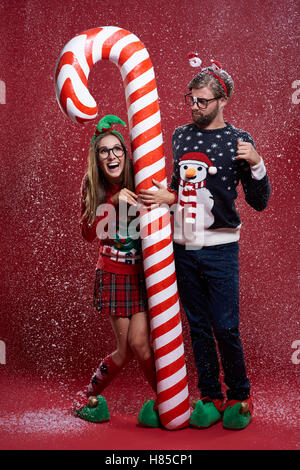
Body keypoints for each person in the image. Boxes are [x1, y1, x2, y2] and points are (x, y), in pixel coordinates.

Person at [139, 62, 271, 430]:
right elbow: (174, 187)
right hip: (183, 246)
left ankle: (240, 397)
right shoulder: (181, 135)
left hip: (220, 248)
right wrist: (167, 200)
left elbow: (260, 201)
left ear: (222, 100)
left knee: (225, 326)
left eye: (202, 101)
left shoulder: (239, 141)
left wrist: (258, 165)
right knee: (197, 325)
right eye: (190, 100)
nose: (194, 107)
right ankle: (210, 394)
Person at [73, 115, 158, 426]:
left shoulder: (140, 175)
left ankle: (169, 401)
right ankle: (86, 394)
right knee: (126, 349)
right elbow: (87, 233)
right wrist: (112, 205)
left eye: (117, 150)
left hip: (144, 274)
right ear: (98, 159)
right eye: (104, 151)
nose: (112, 156)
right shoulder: (92, 184)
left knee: (141, 344)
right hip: (114, 274)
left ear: (126, 152)